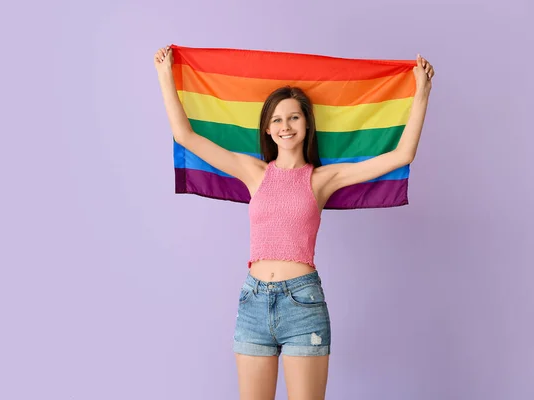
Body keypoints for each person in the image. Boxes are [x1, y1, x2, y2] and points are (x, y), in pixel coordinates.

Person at [154, 45, 434, 400]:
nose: (285, 126)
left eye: (293, 118)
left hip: (303, 304)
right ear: (268, 130)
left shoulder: (322, 179)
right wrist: (165, 76)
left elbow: (401, 155)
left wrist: (421, 93)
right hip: (253, 302)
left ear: (307, 124)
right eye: (277, 120)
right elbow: (186, 136)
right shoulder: (253, 172)